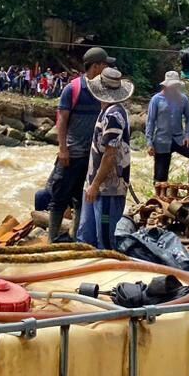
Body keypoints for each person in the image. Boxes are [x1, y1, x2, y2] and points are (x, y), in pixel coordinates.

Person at [48, 47, 113, 243]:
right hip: (72, 153)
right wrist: (63, 149)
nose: (107, 67)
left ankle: (76, 236)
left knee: (82, 198)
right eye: (105, 64)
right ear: (95, 66)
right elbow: (62, 120)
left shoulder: (103, 91)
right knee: (59, 196)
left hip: (92, 156)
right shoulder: (74, 89)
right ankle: (52, 238)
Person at [78, 67, 134, 250]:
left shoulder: (114, 115)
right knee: (86, 235)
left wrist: (95, 184)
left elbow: (110, 155)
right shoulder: (107, 111)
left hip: (108, 188)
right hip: (96, 184)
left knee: (105, 239)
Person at [146, 71, 189, 185]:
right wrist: (149, 142)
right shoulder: (156, 99)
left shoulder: (183, 99)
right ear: (166, 85)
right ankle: (159, 198)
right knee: (161, 176)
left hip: (179, 139)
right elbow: (150, 121)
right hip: (162, 140)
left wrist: (188, 135)